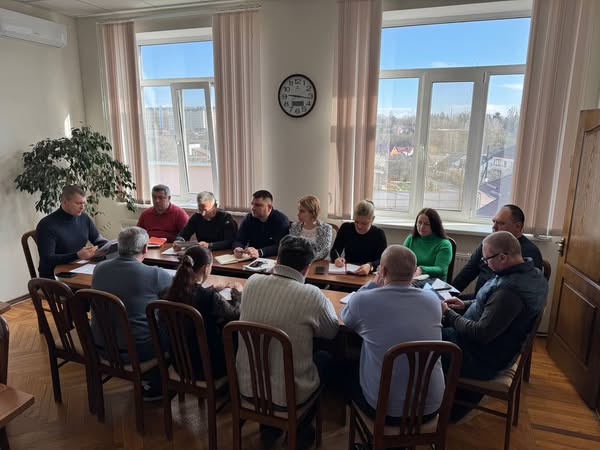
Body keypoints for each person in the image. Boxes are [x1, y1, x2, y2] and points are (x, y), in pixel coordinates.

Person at [237, 235, 339, 447]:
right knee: (325, 357)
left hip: (247, 387)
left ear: (278, 259)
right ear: (307, 268)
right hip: (289, 396)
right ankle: (301, 430)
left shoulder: (252, 282)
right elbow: (331, 332)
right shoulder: (311, 294)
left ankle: (269, 427)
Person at [340, 245, 444, 424]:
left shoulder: (363, 300)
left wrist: (373, 284)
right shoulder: (433, 300)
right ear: (415, 272)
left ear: (382, 271)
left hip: (383, 411)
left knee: (342, 368)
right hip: (430, 408)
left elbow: (346, 318)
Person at [442, 231, 548, 382]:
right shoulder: (532, 274)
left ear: (502, 257)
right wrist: (463, 304)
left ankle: (434, 393)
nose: (485, 263)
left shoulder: (508, 292)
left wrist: (449, 313)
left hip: (480, 358)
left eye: (486, 259)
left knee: (421, 339)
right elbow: (492, 305)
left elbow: (481, 333)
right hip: (489, 348)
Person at [91, 226, 172, 400]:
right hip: (137, 351)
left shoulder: (99, 269)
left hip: (101, 345)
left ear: (118, 246)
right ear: (145, 248)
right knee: (174, 328)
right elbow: (179, 294)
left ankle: (151, 380)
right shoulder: (155, 274)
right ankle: (158, 384)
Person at [165, 246, 242, 380]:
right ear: (206, 268)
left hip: (179, 362)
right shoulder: (209, 297)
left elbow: (196, 294)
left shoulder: (171, 291)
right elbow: (236, 315)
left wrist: (212, 288)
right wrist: (237, 294)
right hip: (208, 367)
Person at [451, 204, 543, 295]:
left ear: (517, 226)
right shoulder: (488, 243)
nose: (494, 227)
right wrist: (448, 294)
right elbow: (469, 271)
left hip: (502, 301)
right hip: (478, 298)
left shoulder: (530, 251)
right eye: (494, 222)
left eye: (501, 223)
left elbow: (528, 289)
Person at [36, 185, 108, 278]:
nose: (82, 207)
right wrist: (76, 255)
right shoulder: (47, 225)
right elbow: (47, 259)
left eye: (84, 203)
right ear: (65, 202)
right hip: (53, 276)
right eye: (78, 203)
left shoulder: (84, 218)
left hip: (77, 269)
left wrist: (113, 246)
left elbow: (98, 240)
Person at [330, 200, 387, 275]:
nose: (359, 226)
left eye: (364, 223)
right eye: (356, 222)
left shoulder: (379, 234)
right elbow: (335, 250)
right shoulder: (346, 228)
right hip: (348, 272)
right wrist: (336, 258)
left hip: (369, 275)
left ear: (372, 219)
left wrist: (370, 266)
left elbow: (383, 260)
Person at [232, 190, 290, 258]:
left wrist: (260, 252)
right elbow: (239, 239)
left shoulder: (281, 220)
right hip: (251, 257)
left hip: (273, 259)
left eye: (258, 205)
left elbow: (281, 246)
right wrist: (238, 248)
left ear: (269, 207)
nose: (253, 208)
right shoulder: (249, 218)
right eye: (252, 204)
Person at [403, 208, 453, 281]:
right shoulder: (411, 239)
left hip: (434, 283)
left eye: (427, 224)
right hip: (411, 280)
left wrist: (421, 270)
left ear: (434, 225)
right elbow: (401, 260)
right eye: (419, 223)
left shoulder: (444, 244)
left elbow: (441, 269)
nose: (421, 227)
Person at [289, 195, 332, 260]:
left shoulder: (326, 228)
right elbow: (290, 247)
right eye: (299, 211)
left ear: (312, 213)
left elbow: (324, 251)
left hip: (318, 262)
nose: (298, 214)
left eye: (302, 211)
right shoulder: (295, 226)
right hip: (297, 261)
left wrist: (306, 259)